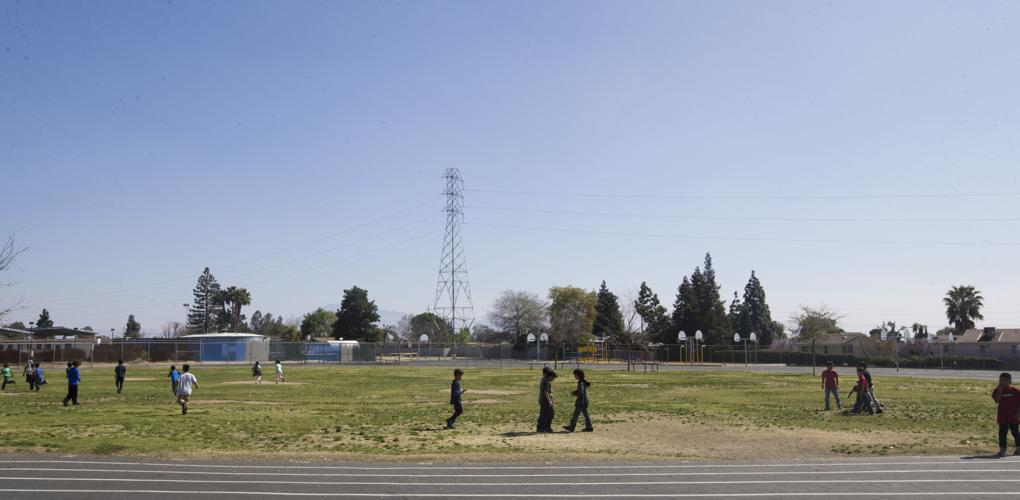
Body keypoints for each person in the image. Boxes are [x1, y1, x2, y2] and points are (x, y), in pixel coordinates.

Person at [992, 372, 1020, 457]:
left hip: (1013, 416)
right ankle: (1003, 449)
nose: (1002, 382)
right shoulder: (996, 391)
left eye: (1005, 381)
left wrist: (1018, 413)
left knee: (1015, 432)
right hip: (1003, 416)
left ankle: (1018, 448)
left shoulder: (1016, 391)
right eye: (1001, 380)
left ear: (1010, 381)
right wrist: (1000, 389)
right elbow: (997, 400)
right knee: (1002, 433)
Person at [563, 368, 593, 433]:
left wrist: (574, 393)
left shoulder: (580, 382)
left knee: (575, 415)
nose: (574, 376)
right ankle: (589, 427)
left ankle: (571, 427)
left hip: (581, 402)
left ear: (578, 375)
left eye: (575, 375)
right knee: (586, 415)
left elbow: (581, 392)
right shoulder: (583, 381)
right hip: (584, 401)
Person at [537, 367, 557, 433]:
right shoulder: (546, 381)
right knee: (546, 414)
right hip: (545, 401)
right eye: (553, 378)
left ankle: (546, 427)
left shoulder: (545, 380)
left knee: (548, 413)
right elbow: (545, 392)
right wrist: (550, 401)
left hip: (545, 400)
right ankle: (542, 427)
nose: (554, 379)